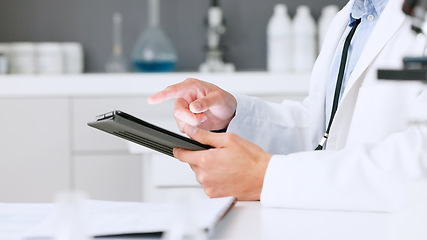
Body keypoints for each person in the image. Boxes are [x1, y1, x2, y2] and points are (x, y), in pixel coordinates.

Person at [148, 0, 427, 211]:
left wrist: (268, 176)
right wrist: (232, 116)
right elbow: (324, 132)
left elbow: (419, 162)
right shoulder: (357, 15)